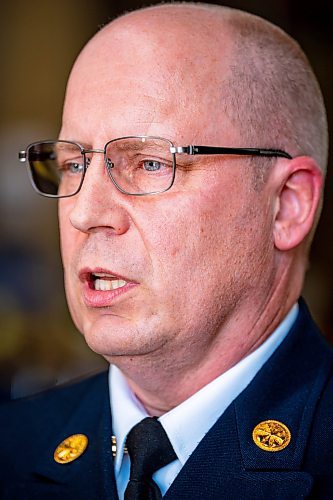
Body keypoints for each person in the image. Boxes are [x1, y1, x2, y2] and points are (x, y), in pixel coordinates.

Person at [1, 2, 332, 499]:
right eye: (73, 165)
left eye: (150, 163)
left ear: (286, 206)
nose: (83, 213)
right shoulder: (12, 444)